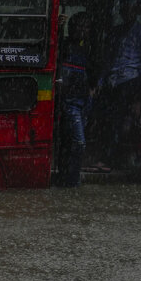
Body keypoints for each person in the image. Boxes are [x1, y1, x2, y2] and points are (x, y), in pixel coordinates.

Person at [95, 0, 141, 170]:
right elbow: (109, 59)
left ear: (137, 11)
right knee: (104, 119)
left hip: (129, 82)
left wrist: (139, 80)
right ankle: (105, 156)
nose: (126, 12)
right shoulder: (116, 32)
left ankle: (109, 159)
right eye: (124, 8)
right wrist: (101, 81)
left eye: (131, 8)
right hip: (112, 82)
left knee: (117, 121)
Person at [56, 12, 92, 186]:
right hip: (69, 103)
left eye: (86, 27)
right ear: (72, 29)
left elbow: (95, 71)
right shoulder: (64, 45)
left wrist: (95, 88)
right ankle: (72, 182)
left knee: (73, 143)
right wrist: (59, 28)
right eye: (79, 26)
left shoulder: (88, 49)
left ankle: (69, 179)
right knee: (78, 142)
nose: (83, 30)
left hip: (84, 102)